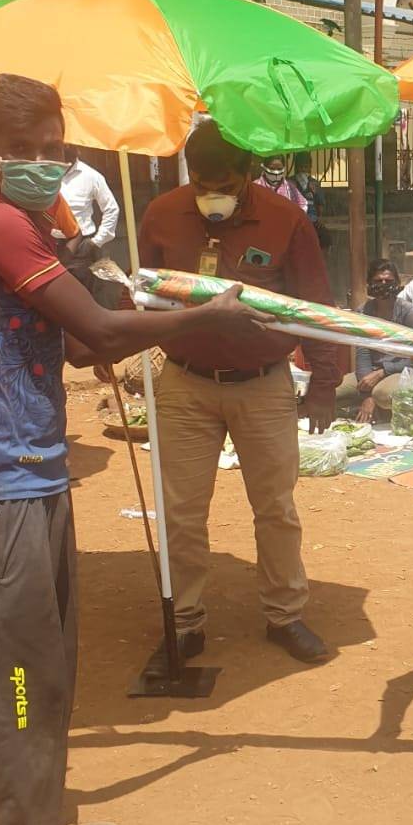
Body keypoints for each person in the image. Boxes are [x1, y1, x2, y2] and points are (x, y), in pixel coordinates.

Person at [0, 74, 258, 825]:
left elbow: (84, 342)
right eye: (26, 152)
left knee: (47, 670)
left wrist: (131, 299)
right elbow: (108, 337)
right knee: (14, 684)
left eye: (55, 149)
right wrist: (199, 317)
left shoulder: (33, 230)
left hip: (38, 478)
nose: (45, 164)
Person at [139, 121, 340, 665]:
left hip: (263, 386)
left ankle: (285, 616)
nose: (212, 196)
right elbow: (146, 290)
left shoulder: (285, 221)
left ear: (250, 175)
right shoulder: (163, 214)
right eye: (202, 184)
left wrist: (325, 384)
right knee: (180, 512)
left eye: (223, 184)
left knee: (275, 508)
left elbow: (314, 304)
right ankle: (183, 623)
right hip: (185, 382)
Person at [334, 259, 413, 422]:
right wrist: (366, 391)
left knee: (382, 395)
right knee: (331, 393)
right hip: (370, 371)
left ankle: (396, 407)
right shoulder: (364, 311)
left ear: (397, 283)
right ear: (369, 284)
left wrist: (383, 372)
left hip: (401, 372)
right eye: (378, 281)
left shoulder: (408, 313)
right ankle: (368, 406)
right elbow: (362, 352)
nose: (383, 284)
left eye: (388, 281)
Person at [54, 148, 119, 250]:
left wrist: (96, 242)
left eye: (69, 145)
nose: (66, 147)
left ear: (77, 149)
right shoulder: (45, 175)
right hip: (50, 243)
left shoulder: (91, 176)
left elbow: (111, 209)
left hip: (82, 245)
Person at [290, 152, 325, 224]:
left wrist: (320, 218)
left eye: (306, 167)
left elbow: (320, 203)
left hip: (311, 218)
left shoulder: (314, 183)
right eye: (300, 167)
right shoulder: (290, 182)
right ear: (296, 168)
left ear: (310, 167)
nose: (303, 169)